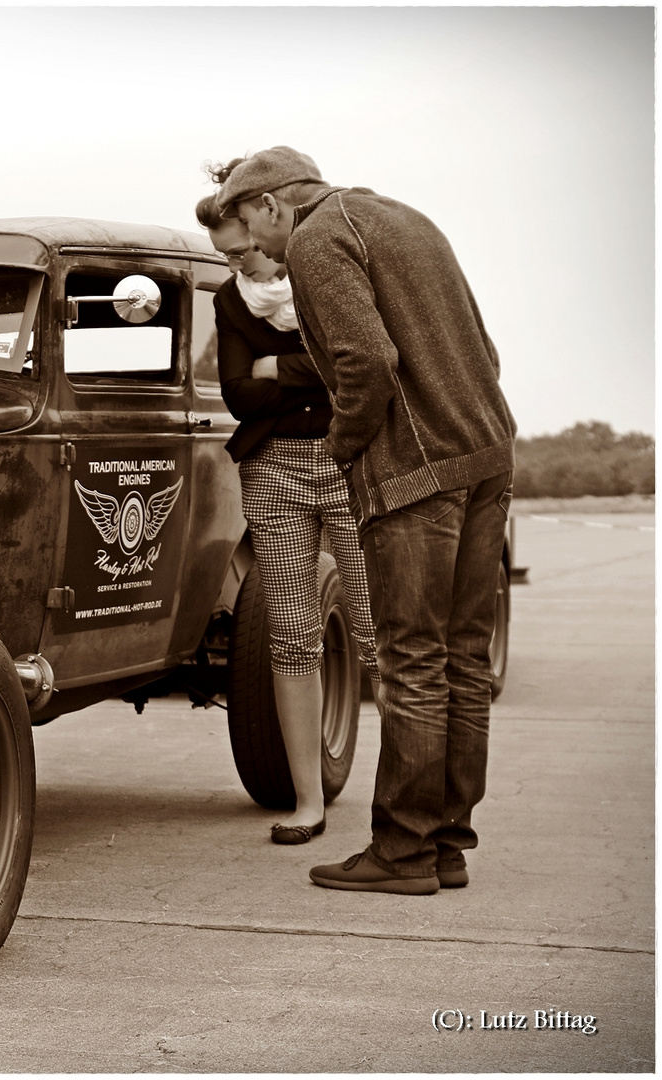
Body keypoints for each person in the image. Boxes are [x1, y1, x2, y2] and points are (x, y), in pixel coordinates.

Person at [216, 146, 515, 895]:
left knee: (410, 659)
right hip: (485, 452)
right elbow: (485, 349)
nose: (260, 250)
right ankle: (446, 843)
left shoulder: (319, 239)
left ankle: (402, 852)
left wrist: (345, 449)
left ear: (270, 204)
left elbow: (366, 364)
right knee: (461, 659)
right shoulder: (403, 217)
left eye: (252, 228)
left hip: (416, 471)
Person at [194, 169, 379, 847]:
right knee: (291, 637)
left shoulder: (325, 278)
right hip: (270, 470)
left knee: (372, 629)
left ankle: (402, 801)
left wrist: (281, 368)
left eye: (240, 249)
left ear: (265, 224)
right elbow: (240, 395)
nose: (235, 263)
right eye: (224, 256)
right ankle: (307, 802)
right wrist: (296, 371)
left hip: (344, 461)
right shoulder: (230, 301)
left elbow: (353, 367)